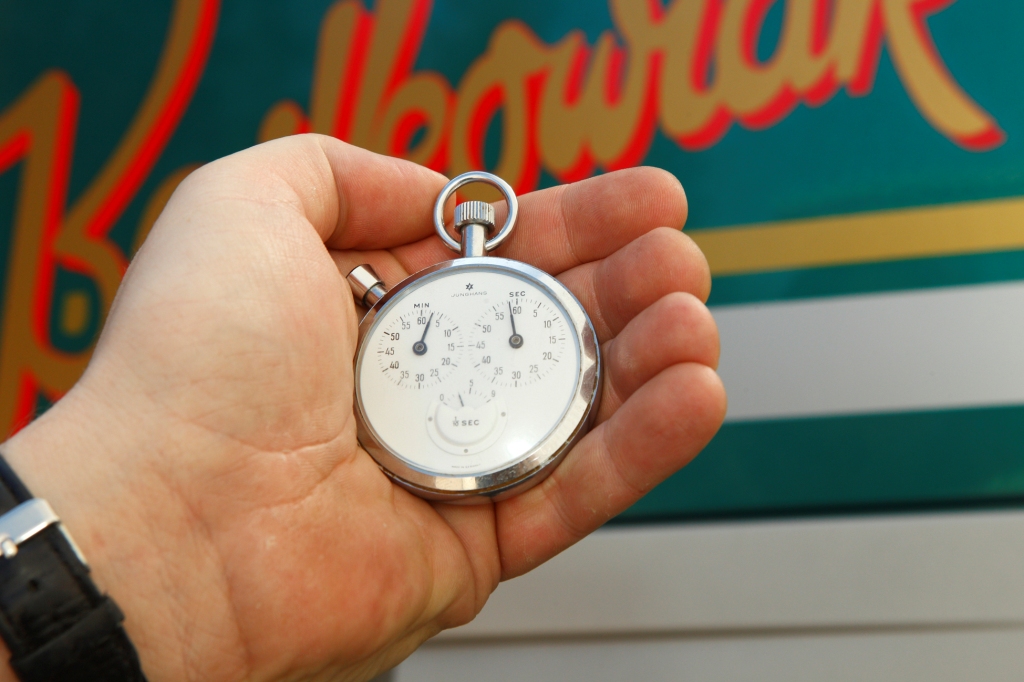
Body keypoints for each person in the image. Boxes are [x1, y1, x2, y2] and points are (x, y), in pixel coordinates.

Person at [0, 135, 725, 681]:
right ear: (381, 303)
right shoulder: (487, 311)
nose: (467, 373)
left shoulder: (431, 306)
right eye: (427, 349)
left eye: (511, 344)